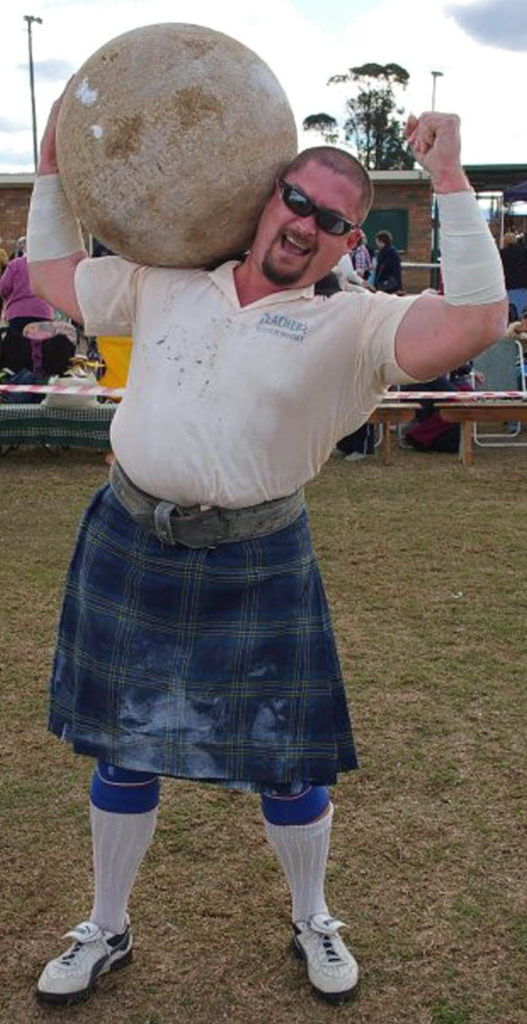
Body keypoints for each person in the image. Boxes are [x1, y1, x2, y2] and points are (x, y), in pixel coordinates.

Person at [26, 95, 506, 1007]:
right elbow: (51, 270)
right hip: (133, 539)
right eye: (296, 200)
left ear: (347, 240)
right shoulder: (169, 278)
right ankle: (107, 925)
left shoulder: (358, 324)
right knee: (120, 752)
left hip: (257, 557)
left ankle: (312, 918)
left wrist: (448, 181)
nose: (305, 226)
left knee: (290, 762)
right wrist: (51, 165)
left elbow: (477, 323)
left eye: (333, 221)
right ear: (265, 195)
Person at [0, 252, 53, 333]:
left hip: (18, 313)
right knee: (41, 343)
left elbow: (4, 287)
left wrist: (7, 298)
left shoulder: (15, 264)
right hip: (43, 312)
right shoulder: (47, 265)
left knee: (19, 343)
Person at [499, 230, 527, 319]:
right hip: (523, 283)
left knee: (512, 308)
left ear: (505, 241)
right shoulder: (524, 251)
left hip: (509, 284)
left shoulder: (503, 253)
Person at [373, 229, 403, 294]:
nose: (376, 243)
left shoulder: (386, 252)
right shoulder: (392, 250)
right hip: (393, 282)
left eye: (377, 241)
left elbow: (383, 268)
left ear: (381, 241)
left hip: (387, 283)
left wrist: (378, 282)